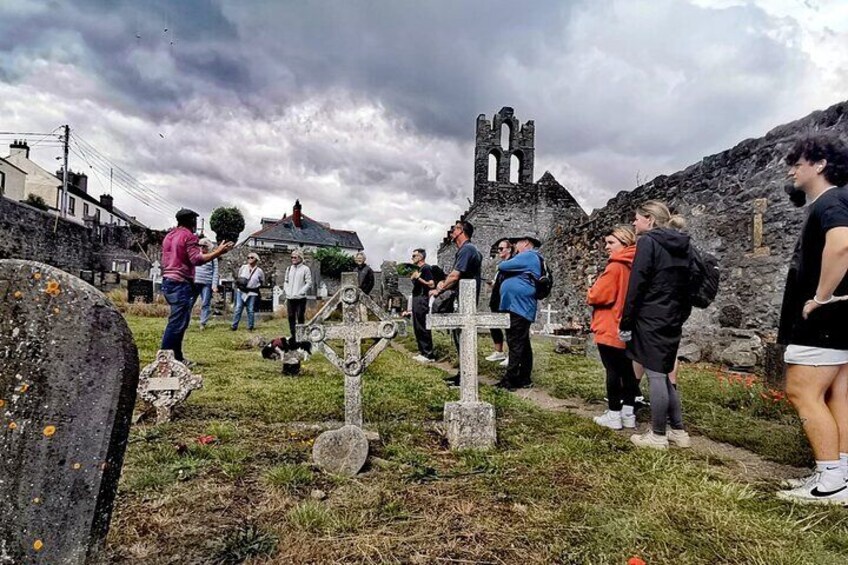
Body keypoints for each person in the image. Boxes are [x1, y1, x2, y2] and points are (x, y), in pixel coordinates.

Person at [775, 133, 848, 505]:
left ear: (819, 164)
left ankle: (831, 481)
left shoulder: (830, 201)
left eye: (798, 162)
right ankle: (838, 473)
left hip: (822, 321)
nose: (792, 170)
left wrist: (820, 297)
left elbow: (842, 245)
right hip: (839, 321)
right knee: (838, 394)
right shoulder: (837, 200)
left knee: (802, 390)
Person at [619, 201, 692, 450]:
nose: (634, 223)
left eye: (637, 218)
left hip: (650, 316)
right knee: (664, 372)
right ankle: (678, 431)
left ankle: (658, 435)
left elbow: (637, 283)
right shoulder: (684, 244)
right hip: (673, 316)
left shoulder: (648, 242)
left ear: (649, 219)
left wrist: (626, 320)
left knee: (656, 375)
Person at [160, 208, 234, 363]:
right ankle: (165, 361)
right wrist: (218, 252)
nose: (195, 224)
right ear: (191, 221)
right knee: (176, 323)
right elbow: (196, 260)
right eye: (194, 221)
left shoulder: (169, 236)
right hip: (181, 282)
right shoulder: (189, 236)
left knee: (180, 321)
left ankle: (178, 358)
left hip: (167, 281)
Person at [588, 226, 639, 430]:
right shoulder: (635, 264)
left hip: (610, 323)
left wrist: (590, 290)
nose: (607, 247)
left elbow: (599, 296)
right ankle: (628, 413)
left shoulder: (615, 266)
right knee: (627, 371)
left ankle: (614, 414)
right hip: (627, 324)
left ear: (624, 242)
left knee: (612, 370)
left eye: (611, 242)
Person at [430, 220, 483, 386]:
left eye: (454, 229)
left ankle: (466, 377)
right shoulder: (467, 250)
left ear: (461, 231)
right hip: (463, 297)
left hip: (465, 300)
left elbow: (455, 276)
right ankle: (463, 374)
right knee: (460, 337)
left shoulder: (467, 249)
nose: (451, 232)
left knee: (463, 337)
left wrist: (439, 289)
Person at [497, 233, 543, 389]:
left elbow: (502, 266)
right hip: (518, 306)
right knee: (522, 343)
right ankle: (524, 378)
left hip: (519, 306)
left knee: (515, 342)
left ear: (527, 242)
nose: (515, 246)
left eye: (517, 242)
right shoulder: (526, 258)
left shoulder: (528, 256)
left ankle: (510, 380)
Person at [485, 238, 512, 366]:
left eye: (501, 249)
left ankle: (510, 354)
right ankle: (499, 351)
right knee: (493, 324)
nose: (499, 251)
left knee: (509, 327)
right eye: (498, 249)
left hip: (505, 300)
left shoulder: (512, 264)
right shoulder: (501, 266)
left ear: (509, 249)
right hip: (496, 299)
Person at [408, 248, 437, 363]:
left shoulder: (426, 268)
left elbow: (431, 284)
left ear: (420, 257)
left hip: (422, 298)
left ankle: (428, 354)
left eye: (414, 256)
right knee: (417, 326)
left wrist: (418, 278)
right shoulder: (418, 269)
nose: (412, 258)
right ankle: (423, 351)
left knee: (422, 325)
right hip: (416, 297)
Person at [231, 252, 264, 331]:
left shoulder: (259, 271)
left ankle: (250, 326)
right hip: (241, 291)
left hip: (252, 292)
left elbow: (262, 280)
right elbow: (239, 277)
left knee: (250, 309)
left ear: (256, 259)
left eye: (252, 257)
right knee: (238, 308)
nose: (249, 259)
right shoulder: (243, 267)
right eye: (248, 257)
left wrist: (254, 286)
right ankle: (234, 326)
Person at [284, 249, 313, 339]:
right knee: (291, 317)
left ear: (300, 258)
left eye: (295, 257)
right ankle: (293, 335)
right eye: (292, 257)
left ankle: (301, 335)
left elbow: (309, 283)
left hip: (300, 298)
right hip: (290, 297)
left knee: (300, 316)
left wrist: (301, 292)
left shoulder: (305, 269)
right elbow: (286, 281)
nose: (293, 259)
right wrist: (287, 291)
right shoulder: (289, 269)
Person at [193, 238, 219, 330]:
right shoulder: (195, 255)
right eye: (201, 246)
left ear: (208, 247)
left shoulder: (212, 257)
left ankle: (202, 323)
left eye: (204, 246)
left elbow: (215, 271)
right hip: (195, 282)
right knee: (189, 302)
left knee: (205, 303)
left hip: (207, 283)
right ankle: (184, 322)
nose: (202, 248)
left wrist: (214, 285)